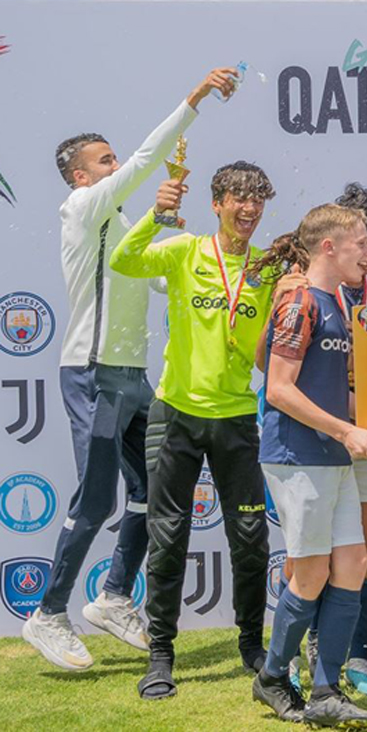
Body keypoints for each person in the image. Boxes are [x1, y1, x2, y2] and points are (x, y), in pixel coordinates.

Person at [21, 67, 238, 672]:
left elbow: (143, 266)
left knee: (154, 491)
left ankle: (115, 597)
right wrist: (193, 101)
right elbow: (147, 160)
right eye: (105, 160)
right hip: (91, 373)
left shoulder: (117, 221)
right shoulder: (82, 208)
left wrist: (166, 223)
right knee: (94, 500)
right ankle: (47, 613)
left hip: (133, 376)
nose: (118, 165)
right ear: (80, 176)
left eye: (115, 158)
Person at [109, 161, 299, 700]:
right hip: (177, 416)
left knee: (250, 539)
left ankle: (250, 646)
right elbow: (125, 260)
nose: (249, 208)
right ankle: (161, 654)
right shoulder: (185, 250)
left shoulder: (265, 269)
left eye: (258, 199)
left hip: (237, 415)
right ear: (216, 203)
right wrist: (158, 214)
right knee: (168, 538)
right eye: (238, 197)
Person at [252, 204, 367, 728]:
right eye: (361, 243)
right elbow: (279, 389)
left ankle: (327, 689)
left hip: (332, 456)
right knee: (310, 574)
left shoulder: (336, 301)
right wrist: (347, 430)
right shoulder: (300, 301)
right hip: (296, 457)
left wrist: (366, 427)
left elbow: (323, 391)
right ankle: (273, 676)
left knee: (351, 566)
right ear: (329, 246)